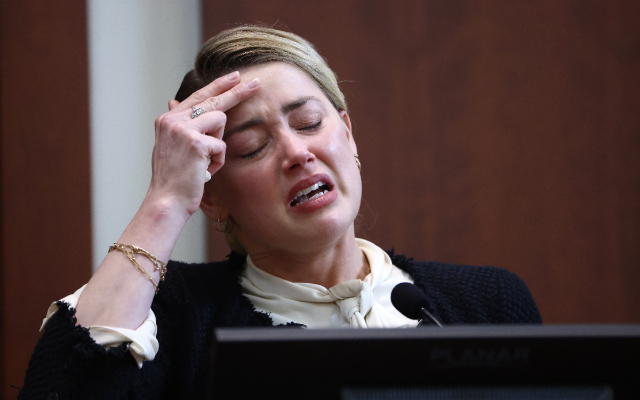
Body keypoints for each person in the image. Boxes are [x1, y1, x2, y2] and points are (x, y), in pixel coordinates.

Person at [19, 25, 541, 399]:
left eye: (309, 122)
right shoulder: (172, 316)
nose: (296, 153)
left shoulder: (487, 303)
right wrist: (164, 199)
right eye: (250, 148)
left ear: (349, 133)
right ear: (213, 196)